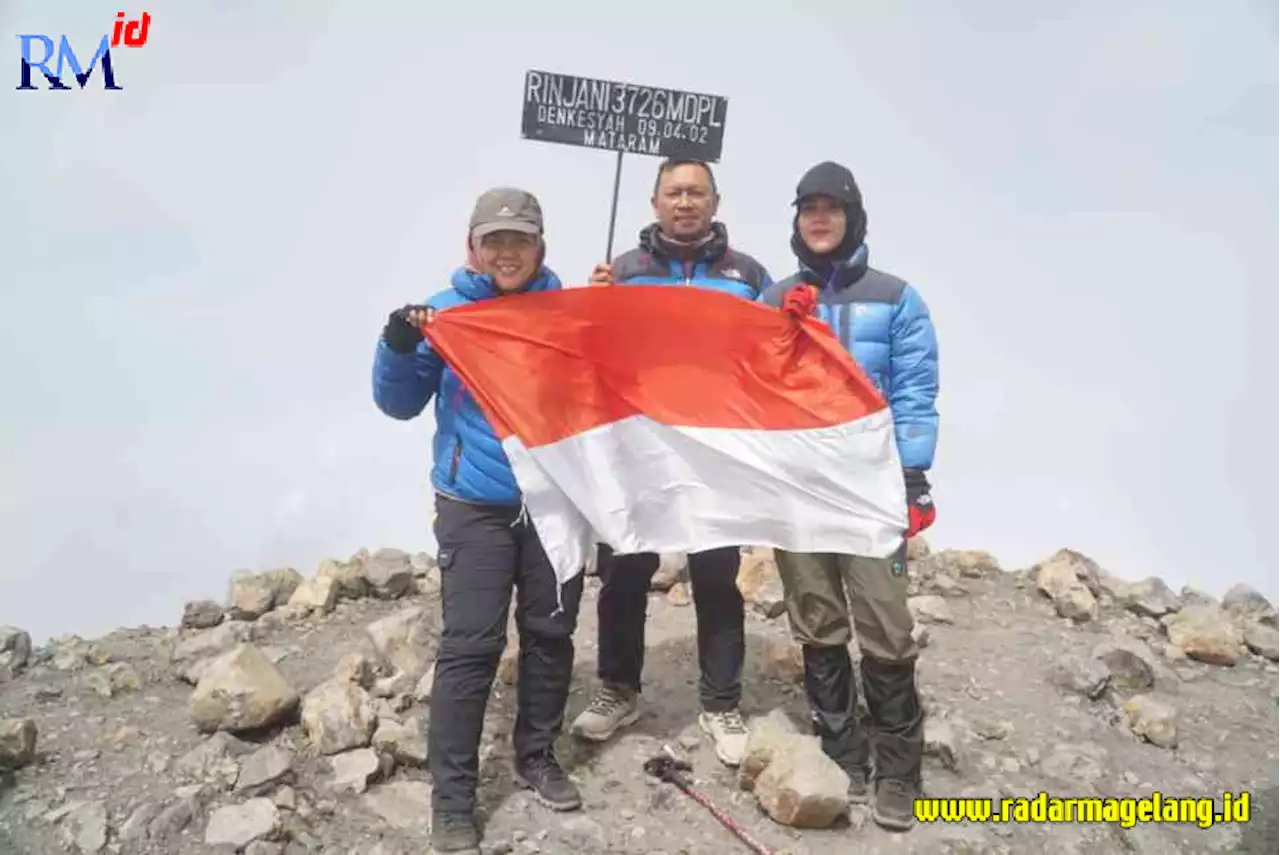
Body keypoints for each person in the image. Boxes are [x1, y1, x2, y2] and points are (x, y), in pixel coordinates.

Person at [372, 187, 584, 855]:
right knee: (471, 645)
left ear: (539, 246)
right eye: (493, 239)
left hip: (556, 502)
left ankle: (537, 756)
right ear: (473, 246)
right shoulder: (447, 313)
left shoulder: (567, 312)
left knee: (550, 633)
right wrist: (397, 346)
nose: (506, 251)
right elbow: (399, 403)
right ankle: (453, 800)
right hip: (474, 504)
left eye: (518, 239)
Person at [569, 157, 774, 767]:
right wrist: (594, 306)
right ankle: (618, 690)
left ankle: (721, 703)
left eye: (696, 193)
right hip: (639, 444)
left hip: (716, 444)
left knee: (716, 576)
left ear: (715, 202)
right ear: (654, 202)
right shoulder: (623, 272)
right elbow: (589, 350)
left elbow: (768, 351)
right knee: (625, 571)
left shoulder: (749, 274)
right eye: (674, 193)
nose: (685, 202)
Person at [760, 161, 940, 832]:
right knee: (815, 617)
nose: (819, 216)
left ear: (853, 217)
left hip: (870, 488)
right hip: (798, 489)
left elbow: (916, 391)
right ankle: (841, 748)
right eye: (808, 207)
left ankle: (898, 768)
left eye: (832, 207)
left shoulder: (897, 298)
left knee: (885, 622)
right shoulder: (773, 299)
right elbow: (745, 386)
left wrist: (914, 475)